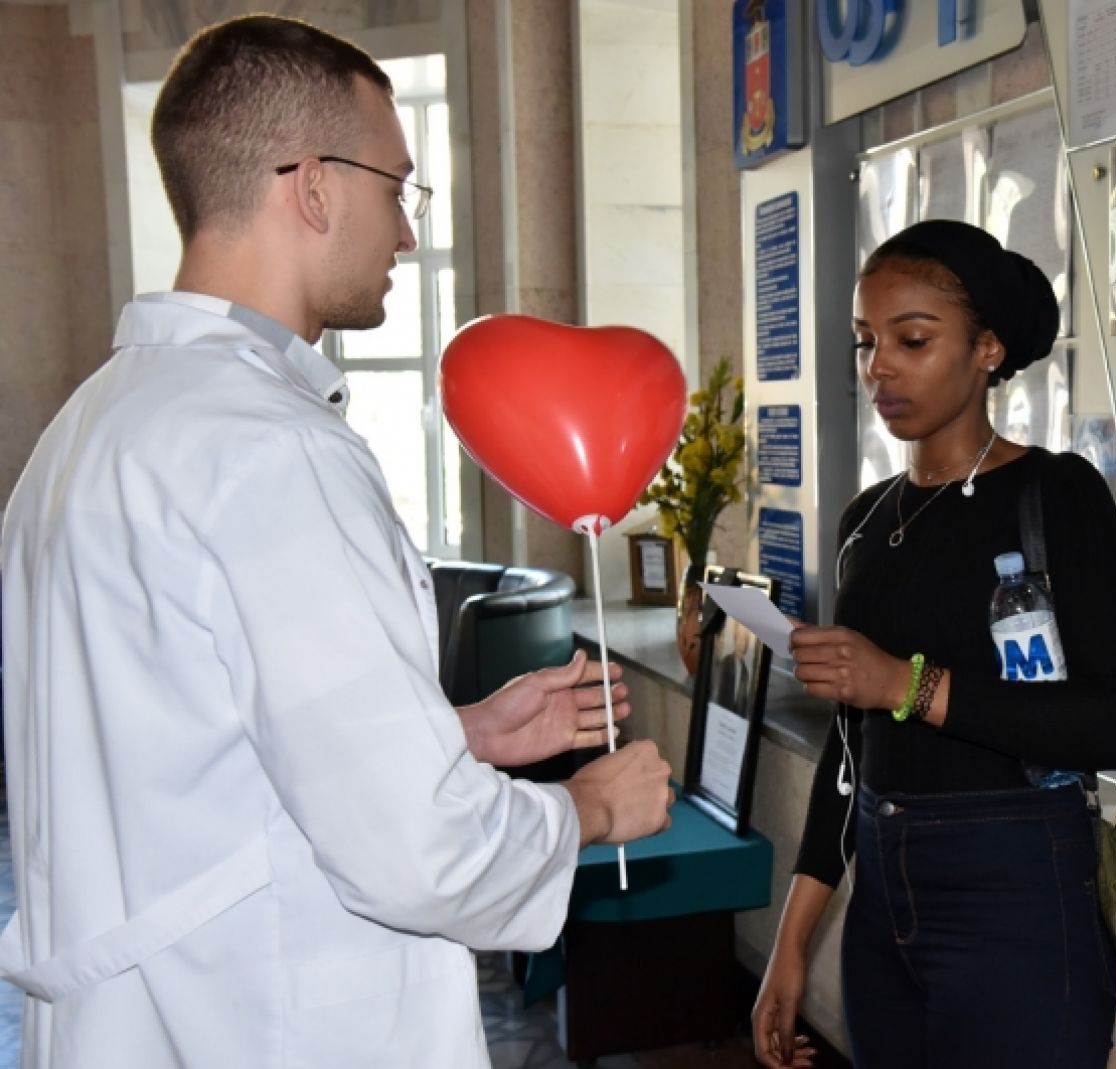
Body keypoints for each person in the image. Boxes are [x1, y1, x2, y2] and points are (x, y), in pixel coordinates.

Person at [0, 15, 673, 1069]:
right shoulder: (268, 448)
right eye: (397, 187)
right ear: (313, 187)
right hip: (262, 1017)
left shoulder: (90, 427)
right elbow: (413, 848)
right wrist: (583, 809)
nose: (405, 232)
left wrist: (453, 735)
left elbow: (193, 746)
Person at [751, 220, 1116, 1069]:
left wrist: (906, 685)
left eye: (912, 340)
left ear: (986, 349)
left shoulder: (1057, 494)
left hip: (1017, 892)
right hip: (880, 897)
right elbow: (850, 750)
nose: (879, 367)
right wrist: (793, 940)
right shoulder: (865, 520)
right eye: (866, 341)